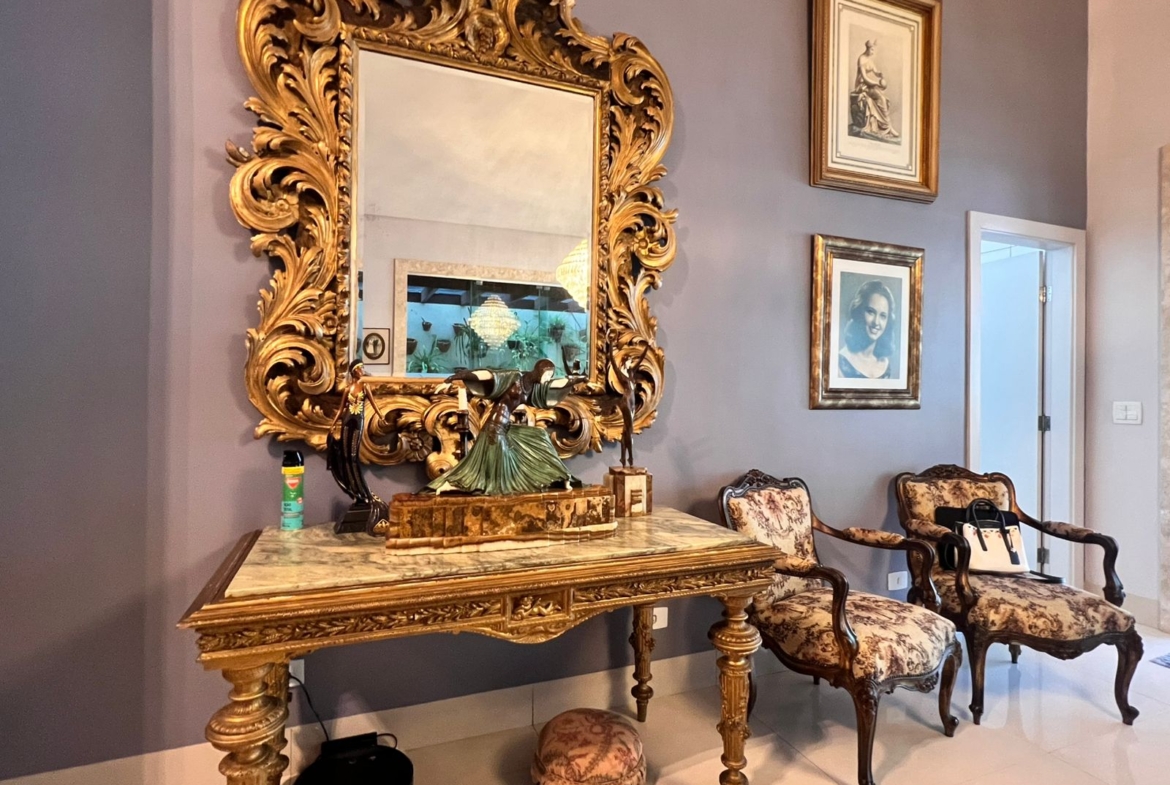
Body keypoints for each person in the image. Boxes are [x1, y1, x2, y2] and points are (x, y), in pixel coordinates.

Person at [426, 359, 582, 495]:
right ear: (538, 371)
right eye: (547, 375)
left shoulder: (533, 387)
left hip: (505, 427)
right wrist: (463, 375)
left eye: (550, 375)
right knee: (488, 473)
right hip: (494, 428)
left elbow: (554, 386)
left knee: (539, 437)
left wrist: (574, 380)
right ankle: (451, 485)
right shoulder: (515, 377)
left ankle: (560, 476)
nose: (548, 378)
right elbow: (489, 376)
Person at [326, 360, 389, 532]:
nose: (362, 371)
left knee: (353, 455)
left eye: (362, 368)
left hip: (358, 420)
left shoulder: (365, 387)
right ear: (354, 371)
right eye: (359, 368)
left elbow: (373, 404)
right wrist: (333, 423)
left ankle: (362, 490)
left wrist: (380, 416)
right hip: (348, 420)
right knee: (346, 455)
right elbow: (341, 409)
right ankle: (354, 489)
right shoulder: (348, 389)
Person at [839, 280, 897, 380]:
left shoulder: (885, 365)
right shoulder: (841, 363)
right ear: (859, 312)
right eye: (871, 312)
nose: (876, 322)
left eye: (883, 316)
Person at [852, 39, 900, 141]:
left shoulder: (870, 60)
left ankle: (886, 126)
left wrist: (879, 74)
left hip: (870, 85)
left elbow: (875, 72)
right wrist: (876, 83)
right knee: (881, 98)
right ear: (868, 48)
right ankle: (888, 127)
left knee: (884, 99)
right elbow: (864, 78)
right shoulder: (861, 59)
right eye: (872, 50)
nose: (873, 52)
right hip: (862, 86)